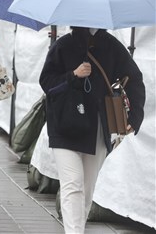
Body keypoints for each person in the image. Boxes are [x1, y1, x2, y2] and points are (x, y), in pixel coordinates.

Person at [39, 27, 145, 234]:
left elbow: (134, 78)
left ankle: (76, 229)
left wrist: (135, 117)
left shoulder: (111, 45)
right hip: (63, 126)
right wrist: (73, 75)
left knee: (86, 190)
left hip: (96, 128)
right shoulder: (63, 45)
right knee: (73, 184)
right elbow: (47, 83)